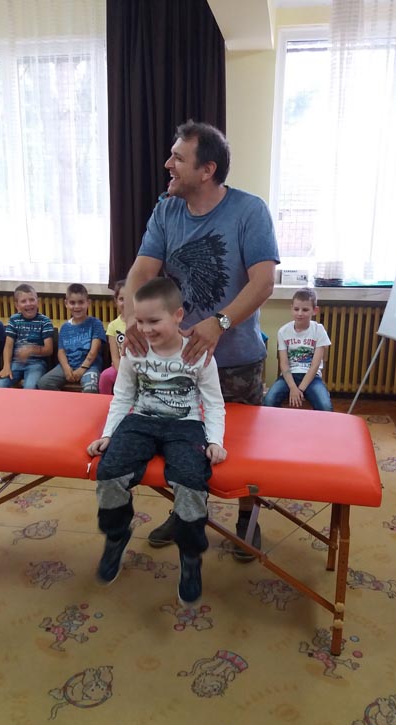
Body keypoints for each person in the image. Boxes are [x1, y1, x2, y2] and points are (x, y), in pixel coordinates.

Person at [121, 120, 279, 562]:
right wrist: (131, 316)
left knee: (242, 452)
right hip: (177, 362)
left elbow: (264, 282)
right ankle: (186, 512)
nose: (167, 164)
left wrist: (219, 323)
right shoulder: (166, 211)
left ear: (207, 170)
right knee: (181, 442)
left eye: (178, 157)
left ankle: (247, 519)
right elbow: (141, 271)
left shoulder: (250, 211)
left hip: (236, 360)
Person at [87, 277, 226, 605]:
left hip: (186, 425)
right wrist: (108, 434)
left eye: (154, 321)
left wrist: (215, 440)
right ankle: (117, 535)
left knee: (191, 481)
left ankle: (190, 555)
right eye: (139, 321)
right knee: (109, 472)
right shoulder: (134, 351)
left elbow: (214, 403)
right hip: (141, 421)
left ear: (178, 315)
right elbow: (123, 396)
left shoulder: (198, 354)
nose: (145, 329)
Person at [263, 288, 333, 412]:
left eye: (305, 310)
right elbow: (284, 364)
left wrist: (299, 389)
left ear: (315, 310)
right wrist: (293, 387)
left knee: (325, 407)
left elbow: (315, 365)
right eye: (296, 309)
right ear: (291, 309)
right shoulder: (283, 331)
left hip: (312, 378)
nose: (300, 313)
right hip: (288, 377)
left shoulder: (319, 330)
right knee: (268, 401)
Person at [38, 283, 105, 393]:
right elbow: (61, 352)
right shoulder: (64, 327)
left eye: (81, 302)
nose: (77, 306)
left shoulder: (95, 323)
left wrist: (82, 369)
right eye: (72, 303)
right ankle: (65, 403)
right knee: (44, 383)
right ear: (66, 304)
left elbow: (94, 351)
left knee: (91, 389)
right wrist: (66, 368)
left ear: (88, 303)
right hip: (68, 365)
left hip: (89, 366)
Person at [0, 284, 53, 389]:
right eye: (23, 301)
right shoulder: (14, 320)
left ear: (37, 302)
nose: (28, 304)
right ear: (17, 305)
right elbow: (8, 346)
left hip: (37, 364)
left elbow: (49, 350)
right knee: (0, 384)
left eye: (32, 300)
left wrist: (31, 349)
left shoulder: (45, 321)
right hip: (16, 363)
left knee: (30, 387)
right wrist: (6, 366)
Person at [98, 280, 126, 395]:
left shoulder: (142, 323)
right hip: (120, 367)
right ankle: (106, 402)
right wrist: (122, 373)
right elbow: (115, 357)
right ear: (116, 301)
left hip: (139, 367)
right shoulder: (113, 326)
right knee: (105, 376)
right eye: (121, 299)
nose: (125, 303)